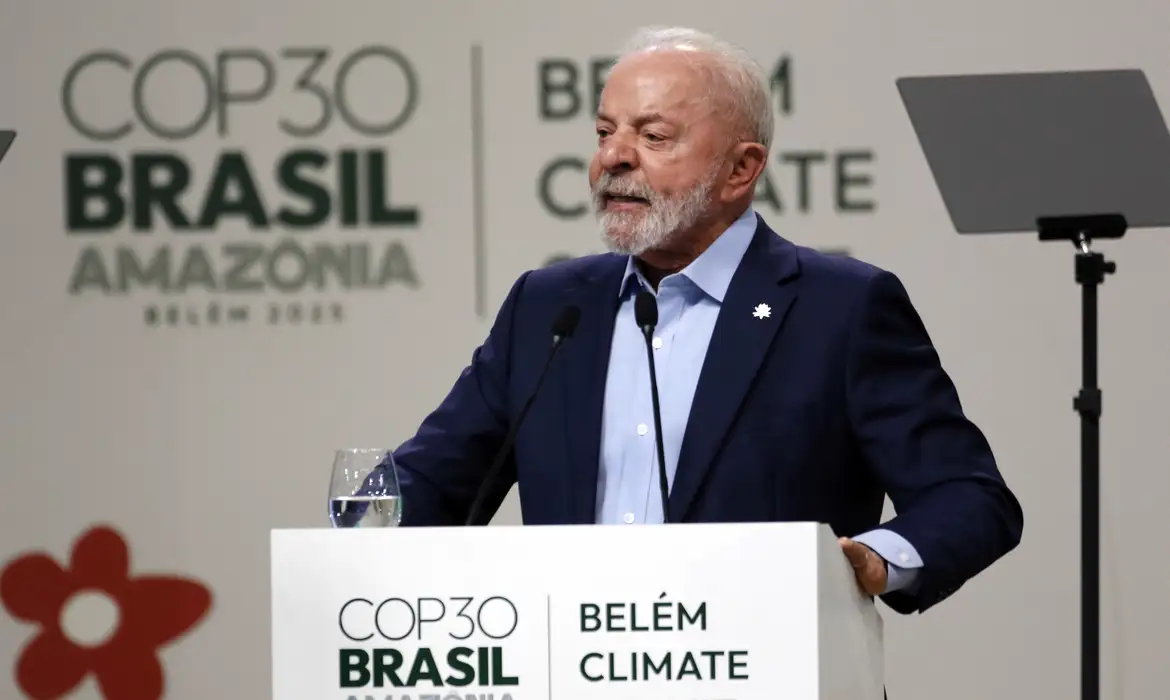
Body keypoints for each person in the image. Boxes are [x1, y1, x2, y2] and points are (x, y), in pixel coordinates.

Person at [391, 25, 1022, 616]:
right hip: (571, 663)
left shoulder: (841, 309)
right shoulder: (549, 307)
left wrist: (872, 560)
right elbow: (429, 484)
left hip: (769, 662)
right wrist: (360, 516)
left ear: (741, 169)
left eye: (653, 137)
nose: (613, 157)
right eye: (605, 131)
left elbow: (970, 498)